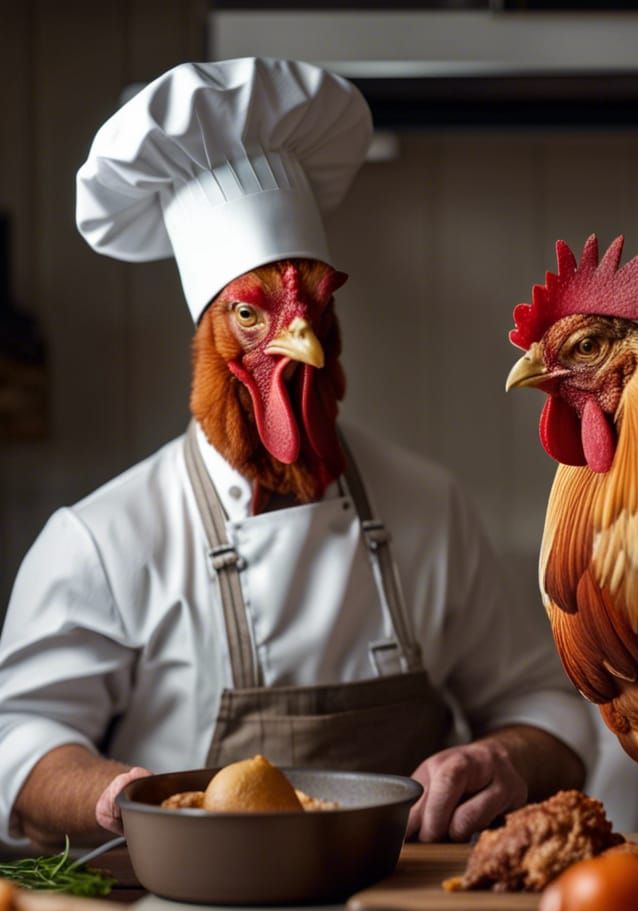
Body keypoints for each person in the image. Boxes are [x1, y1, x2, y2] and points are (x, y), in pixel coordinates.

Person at [0, 58, 594, 850]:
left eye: (312, 306)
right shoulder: (105, 538)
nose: (300, 335)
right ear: (210, 333)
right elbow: (17, 745)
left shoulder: (427, 505)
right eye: (254, 315)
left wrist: (503, 757)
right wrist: (120, 799)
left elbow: (547, 705)